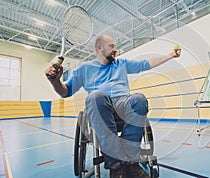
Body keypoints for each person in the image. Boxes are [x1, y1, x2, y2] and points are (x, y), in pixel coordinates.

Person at [45, 35, 181, 178]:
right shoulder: (84, 69)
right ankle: (116, 165)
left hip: (123, 103)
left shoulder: (121, 63)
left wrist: (170, 55)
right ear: (99, 48)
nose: (116, 49)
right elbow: (65, 92)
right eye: (111, 46)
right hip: (100, 106)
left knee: (139, 99)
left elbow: (146, 63)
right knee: (95, 96)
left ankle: (130, 162)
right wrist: (55, 81)